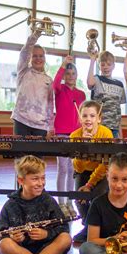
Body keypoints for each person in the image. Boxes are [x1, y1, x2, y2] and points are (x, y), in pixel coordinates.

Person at [0, 155, 72, 254]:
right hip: (22, 250)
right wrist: (12, 236)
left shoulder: (48, 200)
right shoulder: (11, 204)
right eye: (35, 179)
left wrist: (47, 234)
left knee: (66, 238)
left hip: (47, 249)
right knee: (4, 244)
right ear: (21, 181)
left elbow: (63, 228)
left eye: (43, 178)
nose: (41, 183)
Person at [70, 100, 113, 243]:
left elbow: (104, 165)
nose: (88, 119)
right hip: (83, 172)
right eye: (85, 116)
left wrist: (89, 185)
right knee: (79, 197)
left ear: (99, 118)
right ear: (80, 118)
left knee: (98, 197)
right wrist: (82, 147)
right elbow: (78, 168)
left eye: (92, 116)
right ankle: (90, 228)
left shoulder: (106, 133)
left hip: (100, 172)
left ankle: (91, 230)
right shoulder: (74, 136)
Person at [52, 55, 86, 218]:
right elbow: (54, 83)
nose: (70, 76)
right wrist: (62, 65)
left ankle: (69, 202)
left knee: (72, 169)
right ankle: (61, 202)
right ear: (65, 76)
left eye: (73, 74)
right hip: (61, 133)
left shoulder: (81, 94)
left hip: (75, 135)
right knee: (63, 168)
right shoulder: (60, 90)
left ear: (76, 75)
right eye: (68, 73)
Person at [11, 29, 54, 137]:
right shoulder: (23, 71)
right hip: (21, 120)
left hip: (41, 125)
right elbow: (25, 51)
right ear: (30, 58)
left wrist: (50, 126)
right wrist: (36, 33)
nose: (38, 59)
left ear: (44, 58)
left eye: (41, 56)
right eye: (35, 56)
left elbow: (50, 105)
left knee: (38, 154)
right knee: (21, 154)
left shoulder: (49, 80)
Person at [87, 50, 126, 138]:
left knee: (114, 151)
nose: (106, 67)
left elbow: (118, 111)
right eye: (102, 65)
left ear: (113, 66)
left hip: (114, 129)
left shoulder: (119, 84)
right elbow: (89, 83)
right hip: (99, 127)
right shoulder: (97, 79)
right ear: (99, 66)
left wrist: (121, 134)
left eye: (109, 65)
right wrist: (93, 60)